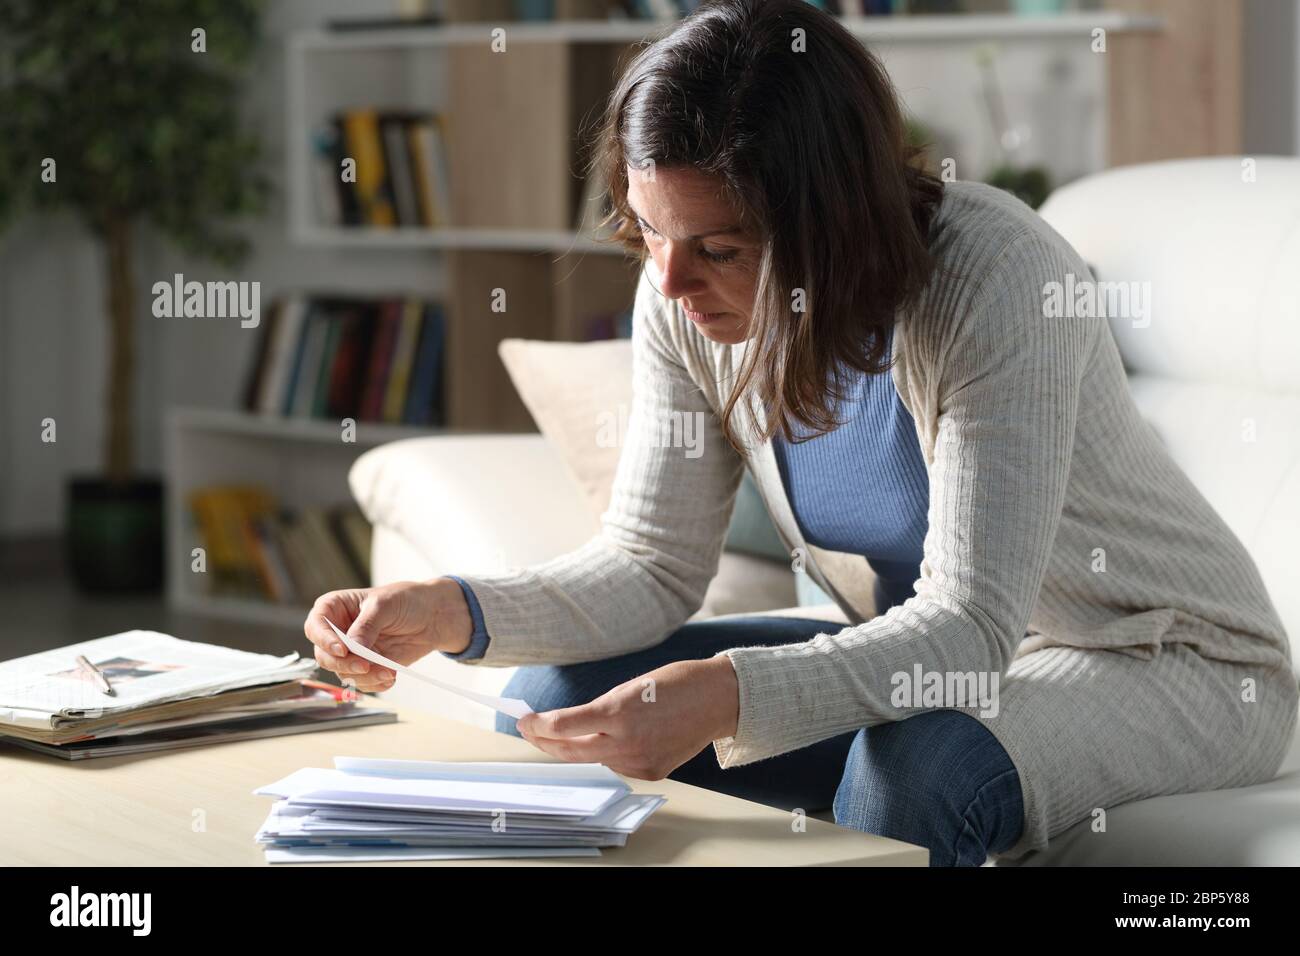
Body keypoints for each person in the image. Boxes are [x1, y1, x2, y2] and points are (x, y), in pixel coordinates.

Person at [304, 0, 1297, 866]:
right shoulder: (683, 302)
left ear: (829, 223)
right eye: (651, 233)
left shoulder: (996, 279)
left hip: (1167, 659)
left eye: (717, 247)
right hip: (912, 650)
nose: (669, 282)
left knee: (914, 765)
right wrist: (451, 608)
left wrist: (727, 691)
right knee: (555, 693)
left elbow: (968, 628)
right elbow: (651, 563)